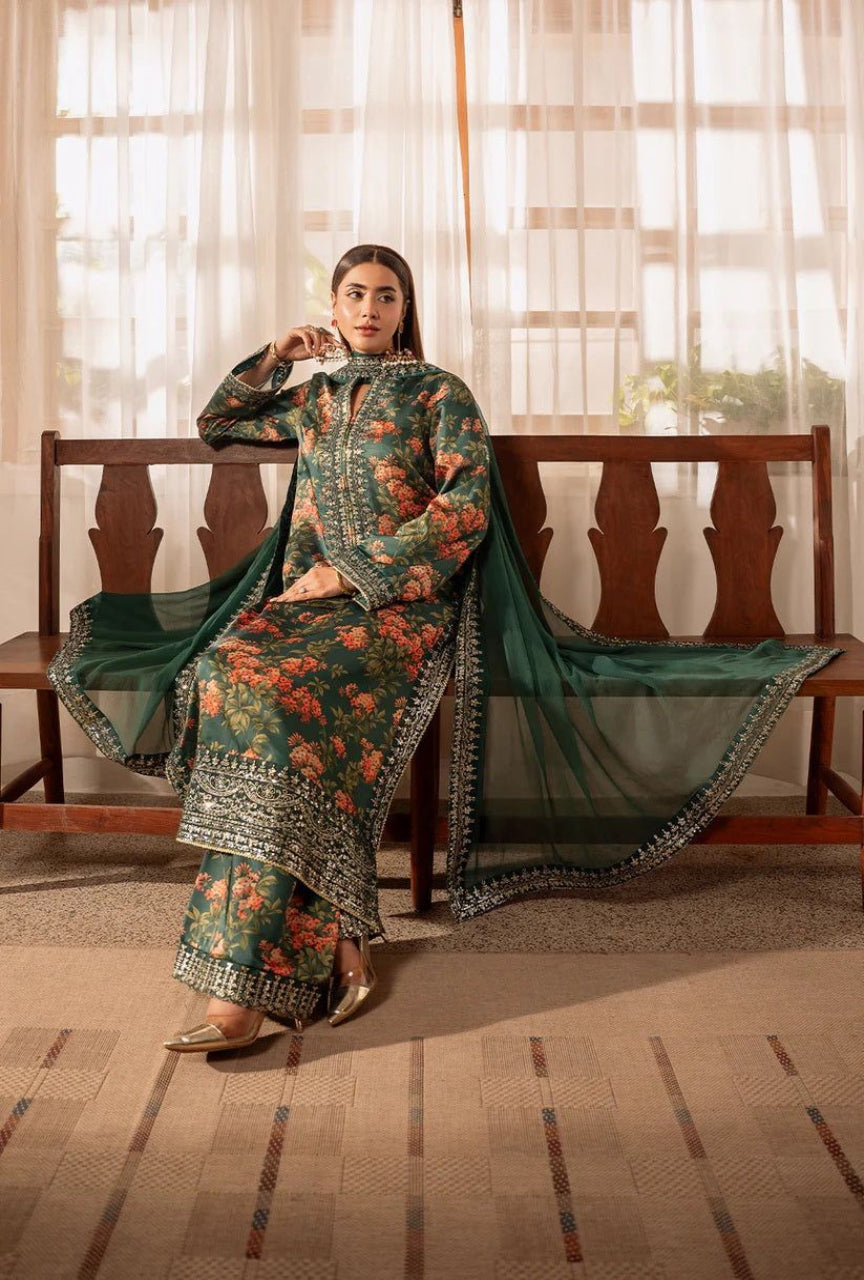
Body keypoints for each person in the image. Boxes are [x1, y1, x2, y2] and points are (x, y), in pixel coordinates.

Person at [47, 243, 840, 1056]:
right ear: (331, 304)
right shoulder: (315, 399)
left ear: (404, 308)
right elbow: (220, 424)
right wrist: (276, 356)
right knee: (228, 673)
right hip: (299, 606)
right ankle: (344, 926)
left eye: (385, 297)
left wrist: (350, 573)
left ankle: (237, 996)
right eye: (353, 295)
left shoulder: (438, 393)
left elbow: (464, 510)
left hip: (402, 607)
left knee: (284, 694)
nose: (368, 310)